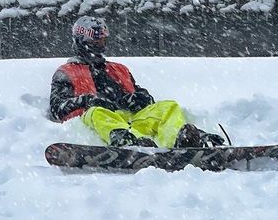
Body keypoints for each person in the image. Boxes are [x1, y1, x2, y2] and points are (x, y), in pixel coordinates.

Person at [49, 16, 226, 150]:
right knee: (96, 112)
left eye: (102, 39)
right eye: (95, 40)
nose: (100, 44)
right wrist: (87, 101)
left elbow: (143, 94)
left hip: (132, 119)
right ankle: (127, 141)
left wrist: (141, 98)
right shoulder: (66, 73)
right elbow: (57, 109)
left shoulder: (119, 69)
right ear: (82, 41)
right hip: (101, 120)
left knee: (169, 106)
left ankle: (179, 140)